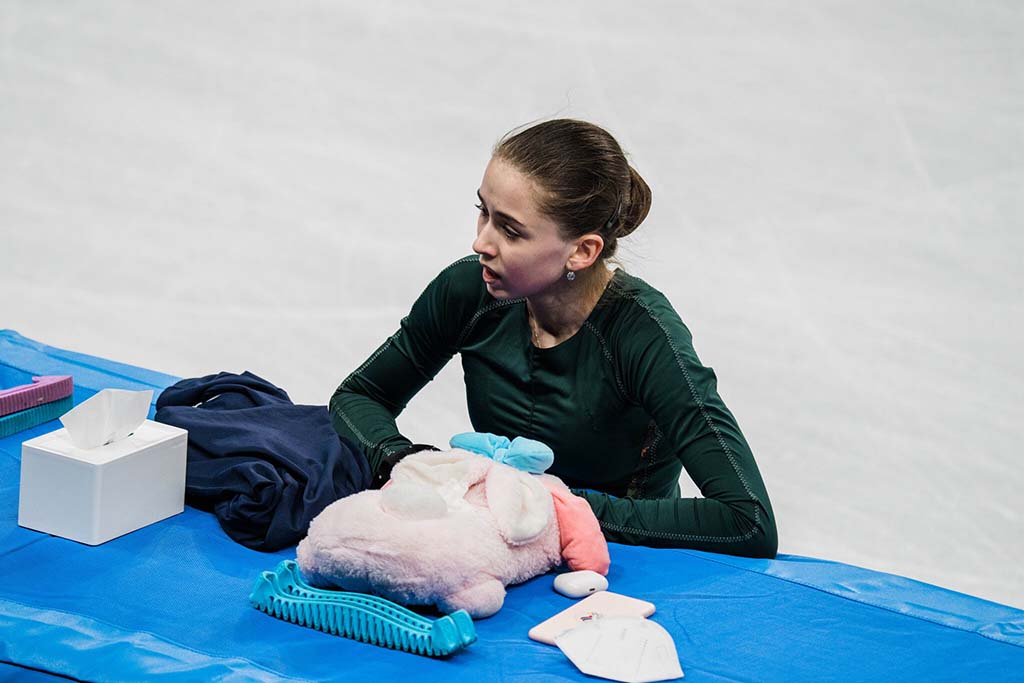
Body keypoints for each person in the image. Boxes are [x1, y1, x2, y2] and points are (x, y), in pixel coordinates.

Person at [330, 119, 777, 558]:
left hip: (620, 564)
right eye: (483, 211)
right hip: (499, 545)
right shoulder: (470, 292)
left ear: (582, 251)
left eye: (510, 230)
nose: (480, 243)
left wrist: (547, 503)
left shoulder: (644, 335)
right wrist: (408, 462)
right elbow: (359, 397)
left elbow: (747, 520)